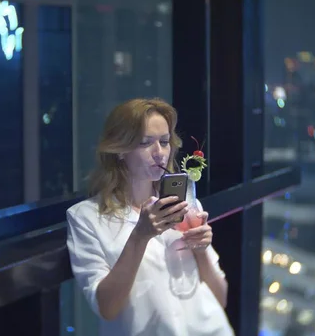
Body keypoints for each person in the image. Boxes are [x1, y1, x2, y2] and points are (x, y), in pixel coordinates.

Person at [66, 98, 234, 336]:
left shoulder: (186, 204)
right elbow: (107, 308)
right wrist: (139, 237)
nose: (160, 153)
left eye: (165, 142)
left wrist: (201, 251)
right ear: (120, 150)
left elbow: (221, 298)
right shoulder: (86, 218)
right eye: (145, 143)